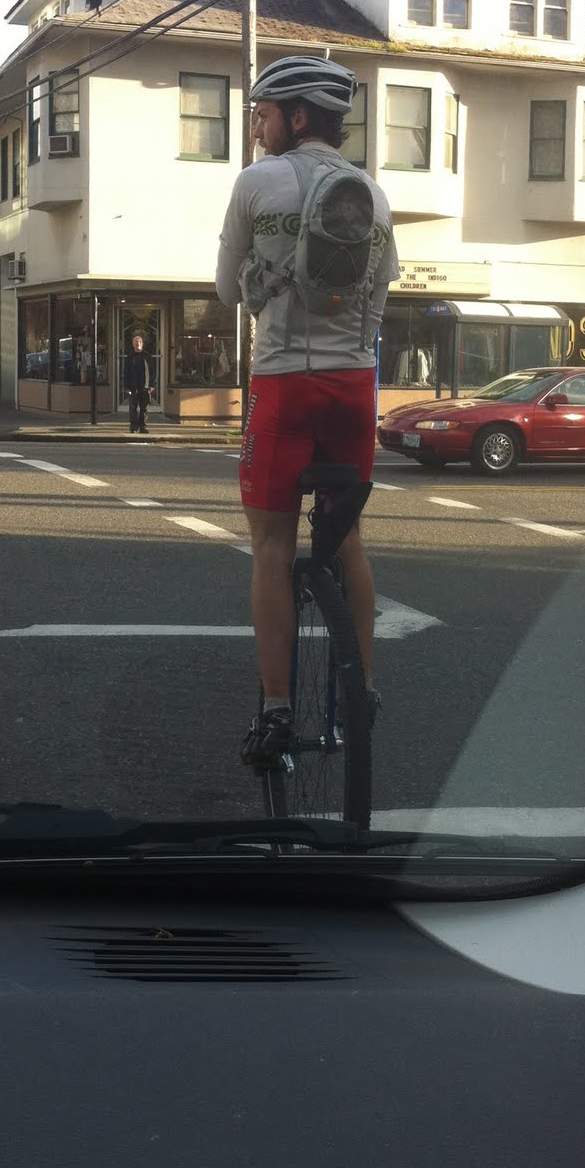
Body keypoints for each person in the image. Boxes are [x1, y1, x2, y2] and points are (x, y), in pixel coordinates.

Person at [215, 55, 399, 766]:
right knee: (346, 541)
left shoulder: (256, 183)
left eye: (262, 114)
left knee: (269, 547)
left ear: (295, 116)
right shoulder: (374, 197)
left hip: (283, 384)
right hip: (353, 385)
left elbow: (228, 289)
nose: (257, 127)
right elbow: (383, 288)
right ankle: (363, 693)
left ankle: (275, 708)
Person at [124, 334, 151, 433]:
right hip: (133, 387)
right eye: (136, 342)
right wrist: (127, 387)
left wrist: (152, 385)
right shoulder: (130, 357)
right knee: (133, 408)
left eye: (139, 342)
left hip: (145, 386)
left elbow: (152, 371)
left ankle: (143, 426)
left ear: (142, 344)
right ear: (133, 344)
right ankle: (133, 427)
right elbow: (126, 372)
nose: (138, 343)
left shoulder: (147, 356)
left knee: (144, 409)